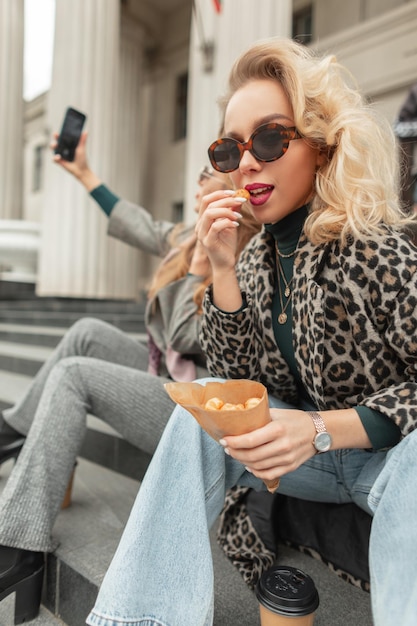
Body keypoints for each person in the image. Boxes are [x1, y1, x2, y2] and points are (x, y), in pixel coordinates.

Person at [86, 37, 417, 626]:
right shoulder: (260, 258)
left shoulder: (377, 249)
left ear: (319, 146)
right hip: (309, 468)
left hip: (386, 464)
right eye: (228, 149)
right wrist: (221, 266)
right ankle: (138, 618)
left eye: (269, 138)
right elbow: (236, 385)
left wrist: (320, 429)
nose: (246, 162)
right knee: (197, 418)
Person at [0, 132, 260, 624]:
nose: (203, 181)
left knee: (76, 375)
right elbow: (134, 220)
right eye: (203, 175)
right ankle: (14, 430)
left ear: (231, 198)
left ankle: (18, 546)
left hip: (196, 408)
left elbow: (188, 336)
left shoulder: (242, 253)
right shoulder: (185, 237)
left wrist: (204, 263)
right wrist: (83, 172)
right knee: (87, 333)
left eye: (212, 179)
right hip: (159, 375)